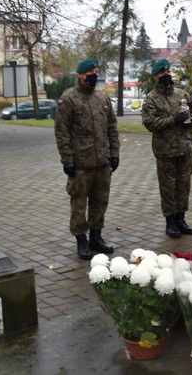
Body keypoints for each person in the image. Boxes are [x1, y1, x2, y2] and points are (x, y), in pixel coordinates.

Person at [55, 57, 120, 260]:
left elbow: (112, 129)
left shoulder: (102, 98)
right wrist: (67, 159)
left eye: (96, 71)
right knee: (79, 204)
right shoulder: (68, 99)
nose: (94, 75)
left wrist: (114, 154)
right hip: (81, 164)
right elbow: (61, 132)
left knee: (100, 202)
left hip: (102, 162)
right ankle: (81, 241)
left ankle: (96, 238)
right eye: (91, 72)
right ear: (81, 75)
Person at [142, 59, 192, 238]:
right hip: (165, 151)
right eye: (163, 73)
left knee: (183, 186)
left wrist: (190, 120)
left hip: (184, 148)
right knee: (168, 188)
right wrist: (173, 120)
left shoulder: (182, 94)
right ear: (155, 76)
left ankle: (181, 219)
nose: (167, 75)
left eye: (168, 72)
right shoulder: (151, 98)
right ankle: (170, 222)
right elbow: (150, 123)